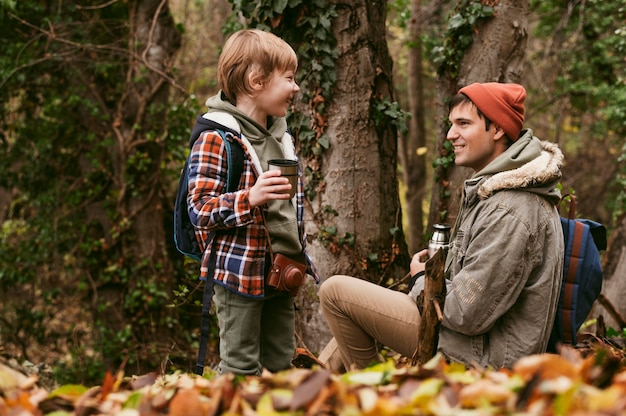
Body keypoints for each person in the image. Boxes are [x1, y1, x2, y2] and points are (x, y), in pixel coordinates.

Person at [319, 82, 564, 370]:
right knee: (355, 307)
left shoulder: (510, 210)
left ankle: (372, 396)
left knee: (335, 292)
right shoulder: (495, 193)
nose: (450, 135)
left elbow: (466, 314)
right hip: (470, 342)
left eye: (463, 123)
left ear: (497, 129)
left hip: (488, 362)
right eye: (451, 125)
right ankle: (309, 395)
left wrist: (420, 281)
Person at [187, 29, 319, 376]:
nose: (296, 87)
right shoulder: (217, 137)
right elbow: (199, 208)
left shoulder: (281, 136)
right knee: (240, 367)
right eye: (289, 78)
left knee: (279, 364)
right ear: (256, 80)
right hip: (239, 272)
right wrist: (249, 198)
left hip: (282, 270)